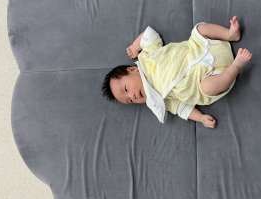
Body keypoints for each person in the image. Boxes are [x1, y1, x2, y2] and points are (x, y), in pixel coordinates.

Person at [101, 16, 252, 129]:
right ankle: (236, 67)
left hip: (200, 48)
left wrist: (135, 46)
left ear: (132, 69)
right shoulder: (156, 101)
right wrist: (201, 118)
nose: (132, 96)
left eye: (126, 89)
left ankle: (230, 34)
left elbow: (149, 35)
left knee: (199, 29)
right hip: (210, 76)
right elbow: (181, 108)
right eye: (129, 101)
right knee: (208, 87)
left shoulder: (147, 57)